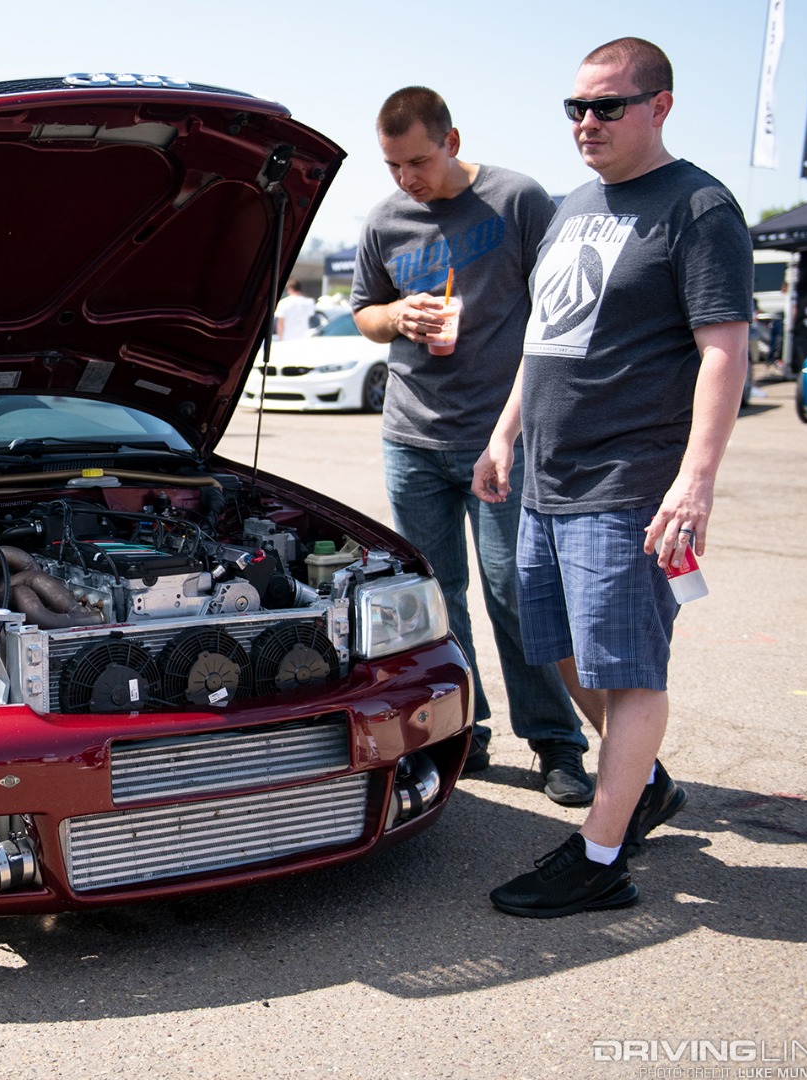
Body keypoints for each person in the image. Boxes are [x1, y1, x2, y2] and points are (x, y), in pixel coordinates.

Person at [472, 38, 751, 918]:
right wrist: (504, 433)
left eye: (607, 106)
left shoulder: (698, 207)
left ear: (658, 107)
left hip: (631, 481)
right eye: (576, 108)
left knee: (630, 673)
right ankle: (648, 787)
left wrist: (695, 481)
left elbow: (724, 350)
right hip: (547, 480)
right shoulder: (573, 208)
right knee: (558, 647)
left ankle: (600, 857)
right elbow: (545, 338)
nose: (586, 122)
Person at [350, 86, 593, 805]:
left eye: (419, 162)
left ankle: (556, 741)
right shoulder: (384, 220)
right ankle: (466, 728)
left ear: (452, 142)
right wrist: (398, 315)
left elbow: (556, 311)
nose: (407, 179)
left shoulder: (518, 200)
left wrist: (521, 427)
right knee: (437, 596)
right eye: (393, 166)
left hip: (500, 439)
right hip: (411, 437)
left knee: (517, 590)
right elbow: (363, 313)